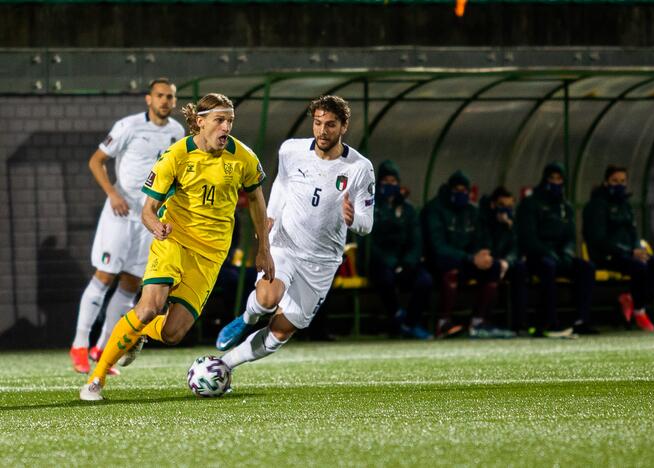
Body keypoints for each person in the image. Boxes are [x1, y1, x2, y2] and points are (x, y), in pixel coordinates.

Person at [79, 93, 273, 401]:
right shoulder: (175, 156)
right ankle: (97, 377)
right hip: (173, 240)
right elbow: (148, 210)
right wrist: (156, 226)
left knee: (172, 333)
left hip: (210, 256)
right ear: (200, 122)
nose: (226, 128)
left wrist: (264, 249)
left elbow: (258, 203)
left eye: (230, 121)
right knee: (149, 306)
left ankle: (140, 331)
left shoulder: (243, 158)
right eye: (219, 120)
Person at [215, 95, 374, 371]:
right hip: (285, 244)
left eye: (331, 125)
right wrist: (270, 218)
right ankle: (248, 318)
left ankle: (225, 365)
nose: (322, 131)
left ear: (344, 126)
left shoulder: (360, 168)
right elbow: (282, 184)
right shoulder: (291, 150)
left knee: (281, 331)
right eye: (317, 123)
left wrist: (352, 219)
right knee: (267, 299)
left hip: (322, 261)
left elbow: (366, 224)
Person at [69, 78, 184, 375]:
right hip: (120, 213)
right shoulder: (128, 126)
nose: (165, 101)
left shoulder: (177, 132)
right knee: (104, 276)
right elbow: (96, 161)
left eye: (170, 97)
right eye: (160, 96)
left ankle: (104, 348)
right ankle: (80, 345)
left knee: (132, 284)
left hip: (150, 218)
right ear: (149, 99)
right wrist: (113, 193)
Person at [583, 165, 654, 332]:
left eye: (623, 181)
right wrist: (629, 252)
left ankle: (631, 298)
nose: (619, 185)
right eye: (614, 181)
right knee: (639, 268)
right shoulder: (597, 205)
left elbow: (633, 232)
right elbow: (599, 239)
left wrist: (636, 249)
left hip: (630, 254)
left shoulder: (626, 204)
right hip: (607, 256)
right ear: (606, 182)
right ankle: (639, 311)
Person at [422, 171, 507, 338]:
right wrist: (471, 258)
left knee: (494, 267)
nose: (461, 194)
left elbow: (482, 239)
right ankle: (443, 323)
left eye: (464, 190)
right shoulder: (434, 209)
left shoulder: (473, 211)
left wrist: (483, 255)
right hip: (440, 262)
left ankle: (478, 322)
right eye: (457, 189)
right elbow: (438, 247)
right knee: (449, 268)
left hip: (468, 261)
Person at [516, 162, 595, 337]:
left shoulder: (565, 207)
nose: (556, 182)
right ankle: (549, 321)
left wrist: (566, 252)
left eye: (559, 179)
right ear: (544, 179)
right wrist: (546, 251)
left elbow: (570, 235)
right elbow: (528, 237)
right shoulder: (530, 204)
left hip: (560, 255)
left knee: (586, 268)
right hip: (536, 256)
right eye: (552, 178)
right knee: (547, 267)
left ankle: (582, 320)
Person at [368, 160, 432, 339]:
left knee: (424, 280)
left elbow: (416, 240)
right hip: (380, 263)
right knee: (385, 278)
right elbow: (368, 242)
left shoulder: (408, 209)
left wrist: (407, 263)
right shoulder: (370, 206)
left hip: (404, 262)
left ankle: (410, 323)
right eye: (386, 181)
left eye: (393, 181)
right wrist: (390, 263)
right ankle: (396, 317)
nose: (390, 185)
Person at [479, 187, 528, 334]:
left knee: (520, 268)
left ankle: (519, 325)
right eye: (502, 205)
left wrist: (507, 261)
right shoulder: (483, 219)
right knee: (492, 267)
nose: (506, 209)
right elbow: (485, 246)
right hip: (487, 262)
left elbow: (516, 249)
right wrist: (497, 226)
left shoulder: (512, 223)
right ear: (493, 205)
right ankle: (483, 321)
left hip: (504, 263)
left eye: (509, 206)